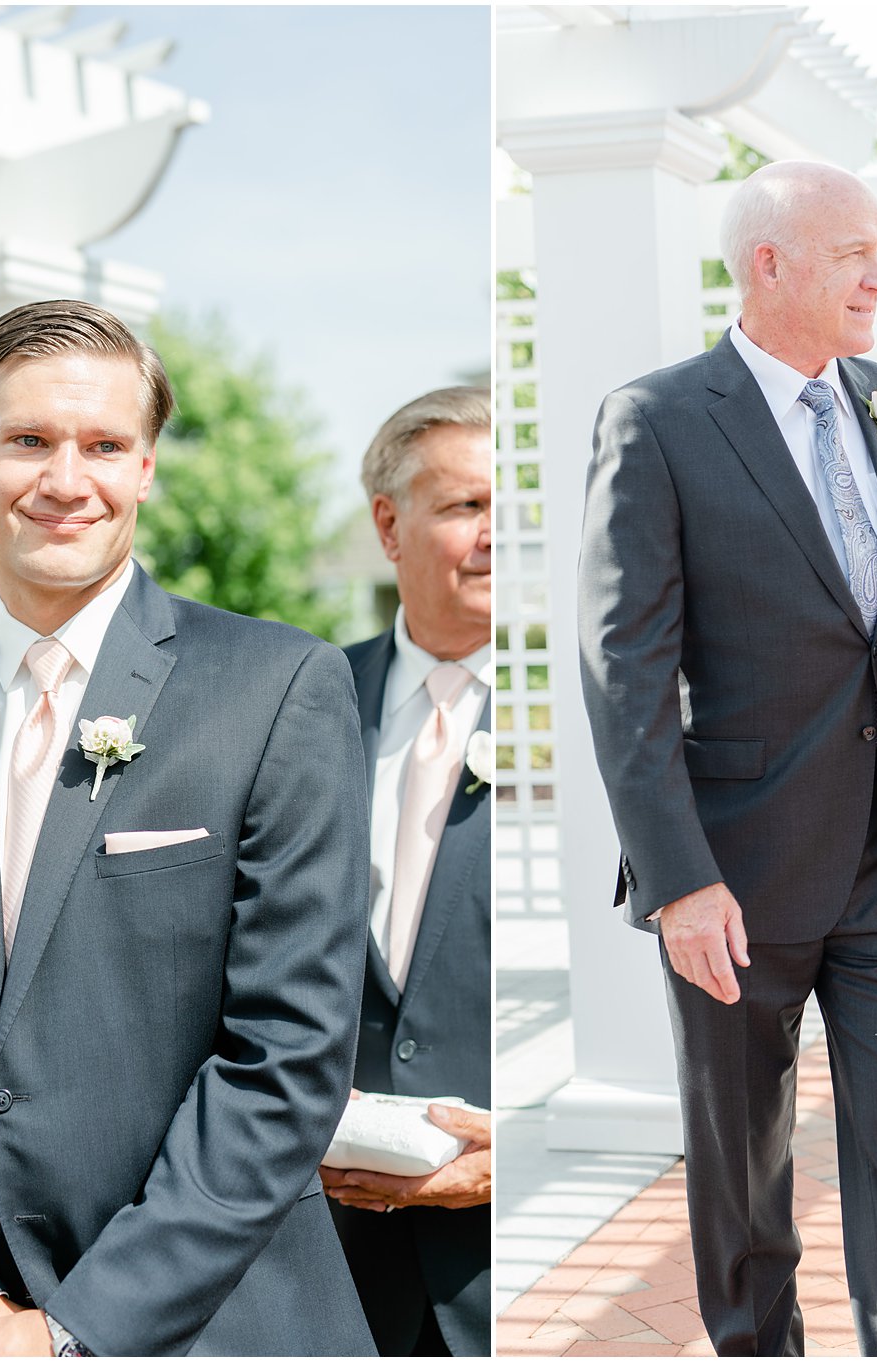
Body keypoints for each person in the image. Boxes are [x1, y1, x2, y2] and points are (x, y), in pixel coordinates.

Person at [0, 300, 375, 1357]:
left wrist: (74, 1330)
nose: (66, 480)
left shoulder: (279, 689)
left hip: (213, 1321)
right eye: (29, 442)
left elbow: (287, 1055)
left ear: (145, 466)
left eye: (104, 445)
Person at [578, 160, 877, 1357]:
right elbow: (623, 667)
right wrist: (678, 880)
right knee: (745, 1174)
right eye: (855, 249)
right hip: (734, 873)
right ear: (769, 263)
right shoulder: (656, 418)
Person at [320, 387, 493, 1356]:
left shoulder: (572, 714)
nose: (494, 537)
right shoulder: (302, 702)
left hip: (492, 1266)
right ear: (389, 525)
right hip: (321, 1248)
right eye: (467, 507)